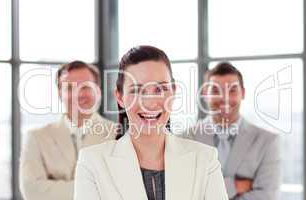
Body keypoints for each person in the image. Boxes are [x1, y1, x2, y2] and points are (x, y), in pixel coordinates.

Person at [74, 46, 229, 200]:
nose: (150, 103)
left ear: (173, 92)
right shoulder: (92, 162)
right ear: (120, 97)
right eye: (137, 90)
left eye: (159, 89)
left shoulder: (205, 159)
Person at [181, 62, 281, 200]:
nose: (224, 98)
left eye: (232, 90)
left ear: (243, 93)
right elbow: (182, 194)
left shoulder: (267, 142)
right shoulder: (184, 139)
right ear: (205, 94)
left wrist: (207, 190)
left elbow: (267, 196)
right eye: (216, 91)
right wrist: (234, 185)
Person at [19, 61, 117, 200]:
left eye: (85, 87)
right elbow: (32, 191)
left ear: (98, 91)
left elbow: (122, 189)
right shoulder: (36, 138)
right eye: (69, 88)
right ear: (60, 93)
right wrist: (94, 188)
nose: (78, 94)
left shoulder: (119, 135)